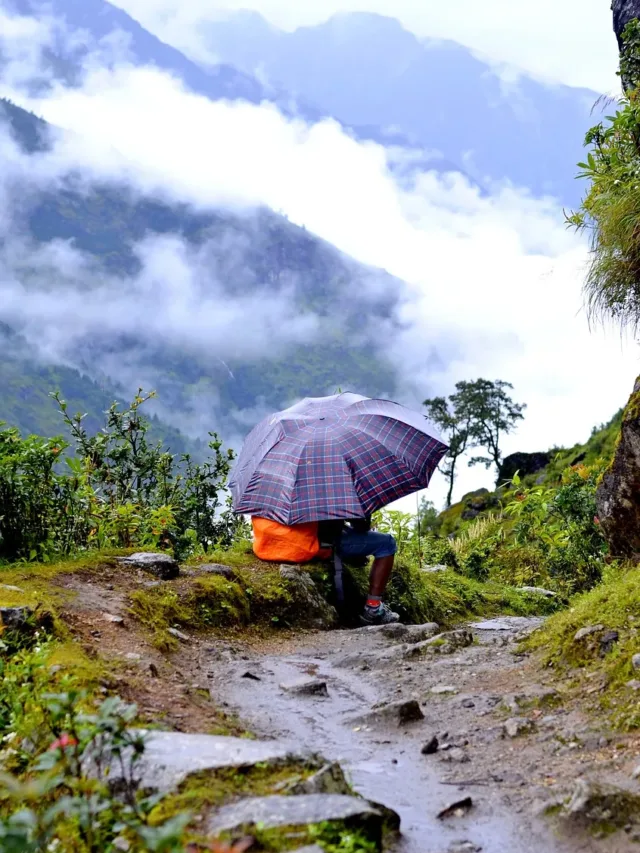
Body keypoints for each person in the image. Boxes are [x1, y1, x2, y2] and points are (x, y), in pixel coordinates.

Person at [319, 516, 400, 626]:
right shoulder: (335, 504)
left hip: (305, 538)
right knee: (387, 543)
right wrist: (363, 518)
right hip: (327, 539)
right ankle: (373, 608)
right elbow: (360, 525)